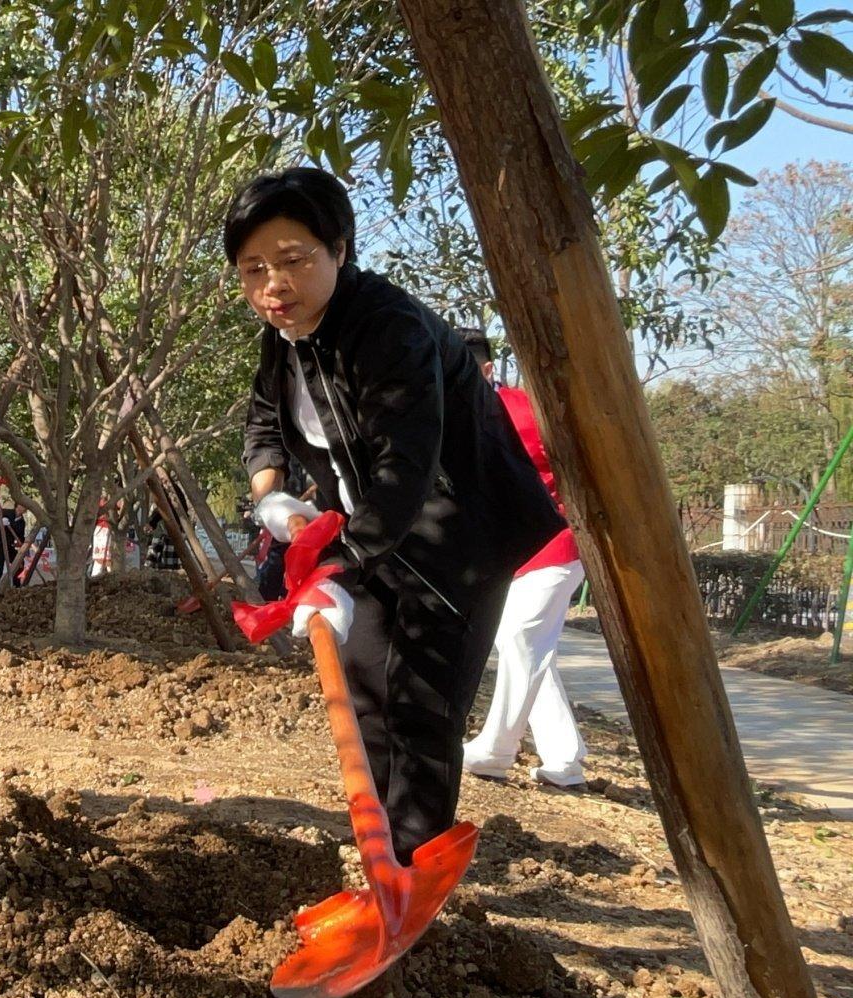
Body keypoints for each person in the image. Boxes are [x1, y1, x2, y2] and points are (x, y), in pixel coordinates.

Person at [231, 167, 561, 865]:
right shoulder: (282, 338)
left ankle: (410, 877)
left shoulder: (389, 329)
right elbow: (264, 425)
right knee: (363, 696)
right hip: (371, 538)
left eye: (293, 261)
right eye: (253, 269)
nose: (272, 286)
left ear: (340, 249)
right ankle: (382, 860)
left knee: (420, 706)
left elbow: (404, 469)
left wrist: (335, 562)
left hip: (454, 538)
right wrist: (272, 497)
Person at [458, 329, 590, 788]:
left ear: (487, 369)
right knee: (530, 651)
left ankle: (495, 752)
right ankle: (566, 759)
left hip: (554, 546)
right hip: (508, 556)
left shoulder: (525, 410)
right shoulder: (455, 416)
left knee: (517, 638)